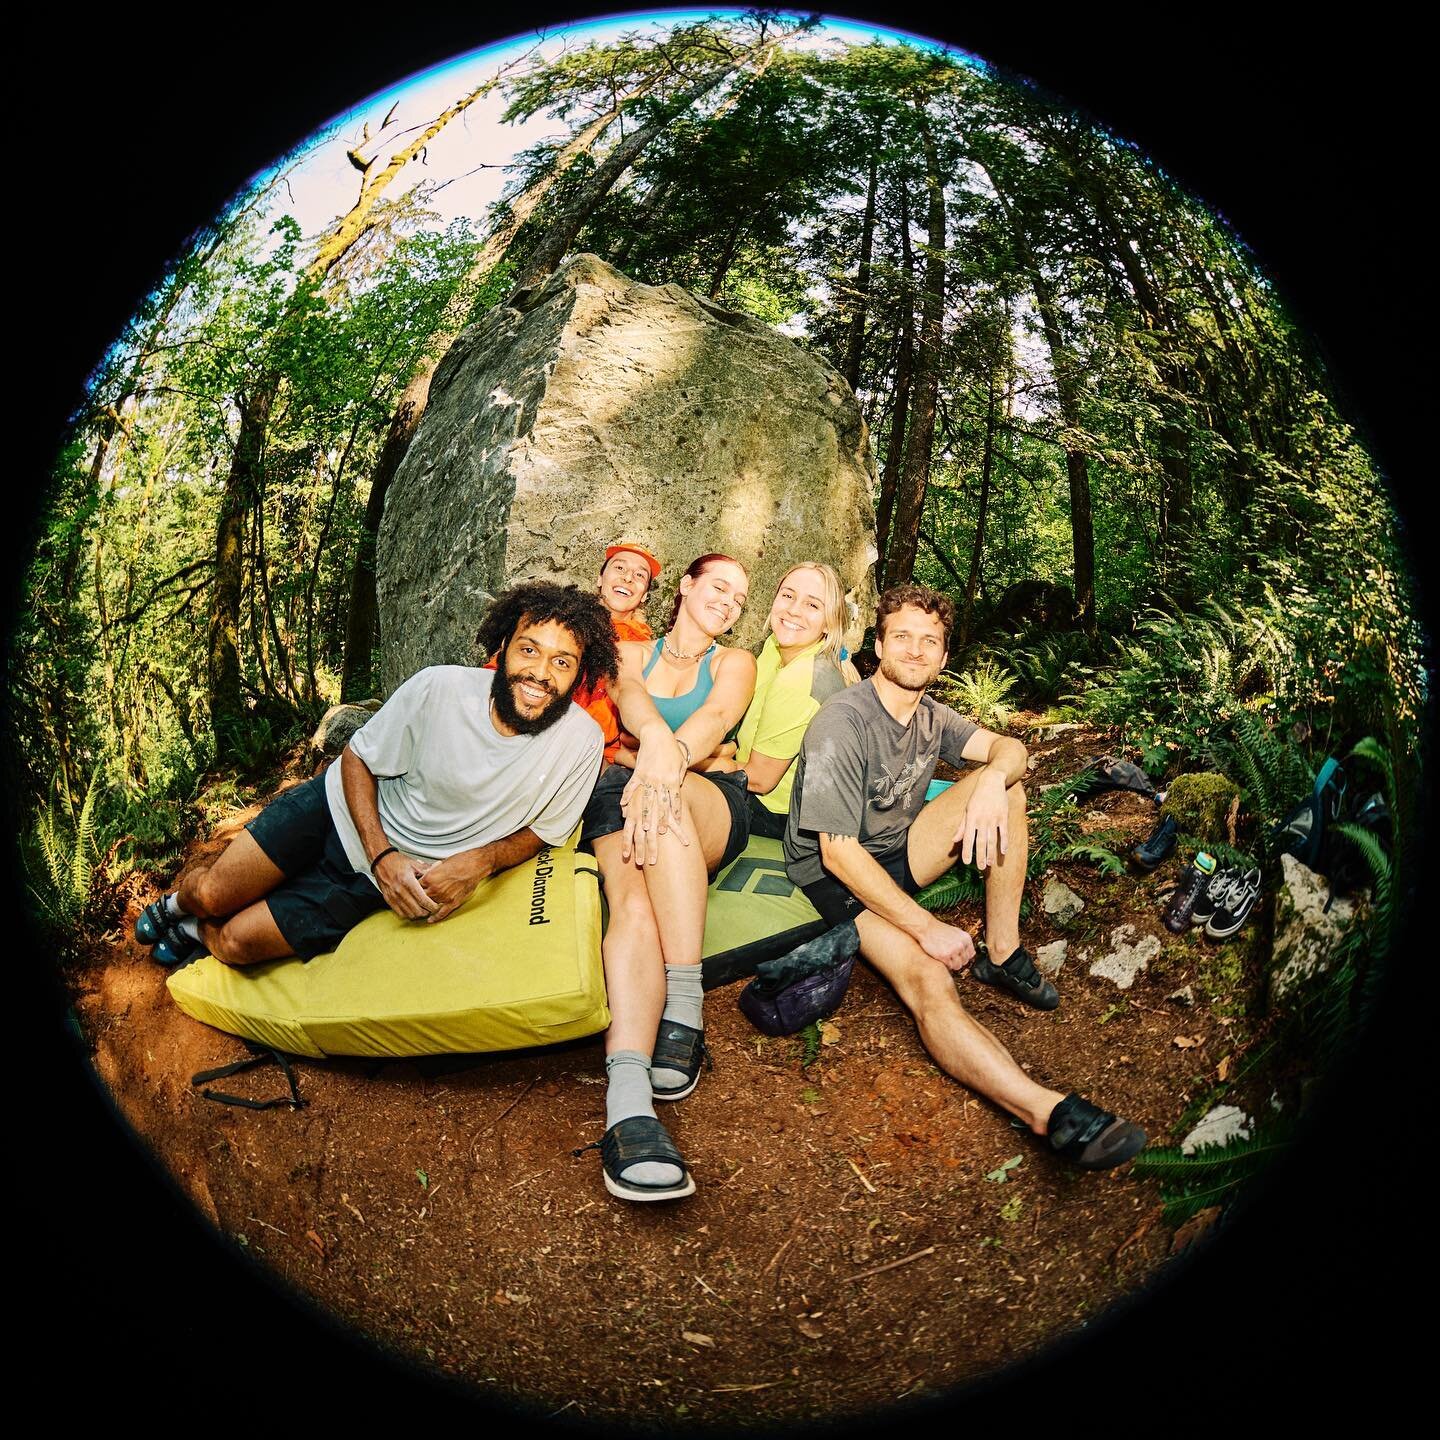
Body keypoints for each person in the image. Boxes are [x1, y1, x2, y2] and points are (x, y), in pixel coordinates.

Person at [779, 584, 1147, 1170]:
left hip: (898, 849)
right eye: (902, 637)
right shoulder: (843, 722)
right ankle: (1047, 1111)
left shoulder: (929, 715)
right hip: (837, 877)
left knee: (1009, 784)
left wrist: (989, 790)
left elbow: (1011, 747)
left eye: (930, 641)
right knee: (929, 978)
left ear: (944, 657)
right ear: (878, 645)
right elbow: (839, 854)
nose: (916, 651)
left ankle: (1001, 953)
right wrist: (926, 928)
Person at [134, 583, 618, 968]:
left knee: (237, 943)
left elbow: (542, 831)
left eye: (561, 661)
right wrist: (381, 852)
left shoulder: (580, 743)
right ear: (504, 645)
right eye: (529, 650)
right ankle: (177, 906)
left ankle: (193, 931)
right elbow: (357, 758)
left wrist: (482, 861)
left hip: (386, 880)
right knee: (213, 892)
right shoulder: (439, 688)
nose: (539, 673)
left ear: (579, 675)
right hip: (338, 810)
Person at [577, 554, 757, 1202]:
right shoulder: (632, 654)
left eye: (738, 598)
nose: (728, 602)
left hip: (703, 797)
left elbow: (713, 720)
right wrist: (655, 747)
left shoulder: (734, 661)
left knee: (672, 798)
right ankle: (627, 1105)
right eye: (718, 587)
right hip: (623, 790)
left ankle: (685, 1001)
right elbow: (633, 709)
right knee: (634, 911)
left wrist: (669, 757)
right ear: (683, 587)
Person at [724, 561, 853, 841]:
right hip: (746, 770)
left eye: (812, 605)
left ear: (829, 623)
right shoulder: (776, 645)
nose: (793, 610)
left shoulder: (801, 679)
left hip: (777, 814)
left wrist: (689, 761)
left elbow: (759, 780)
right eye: (788, 595)